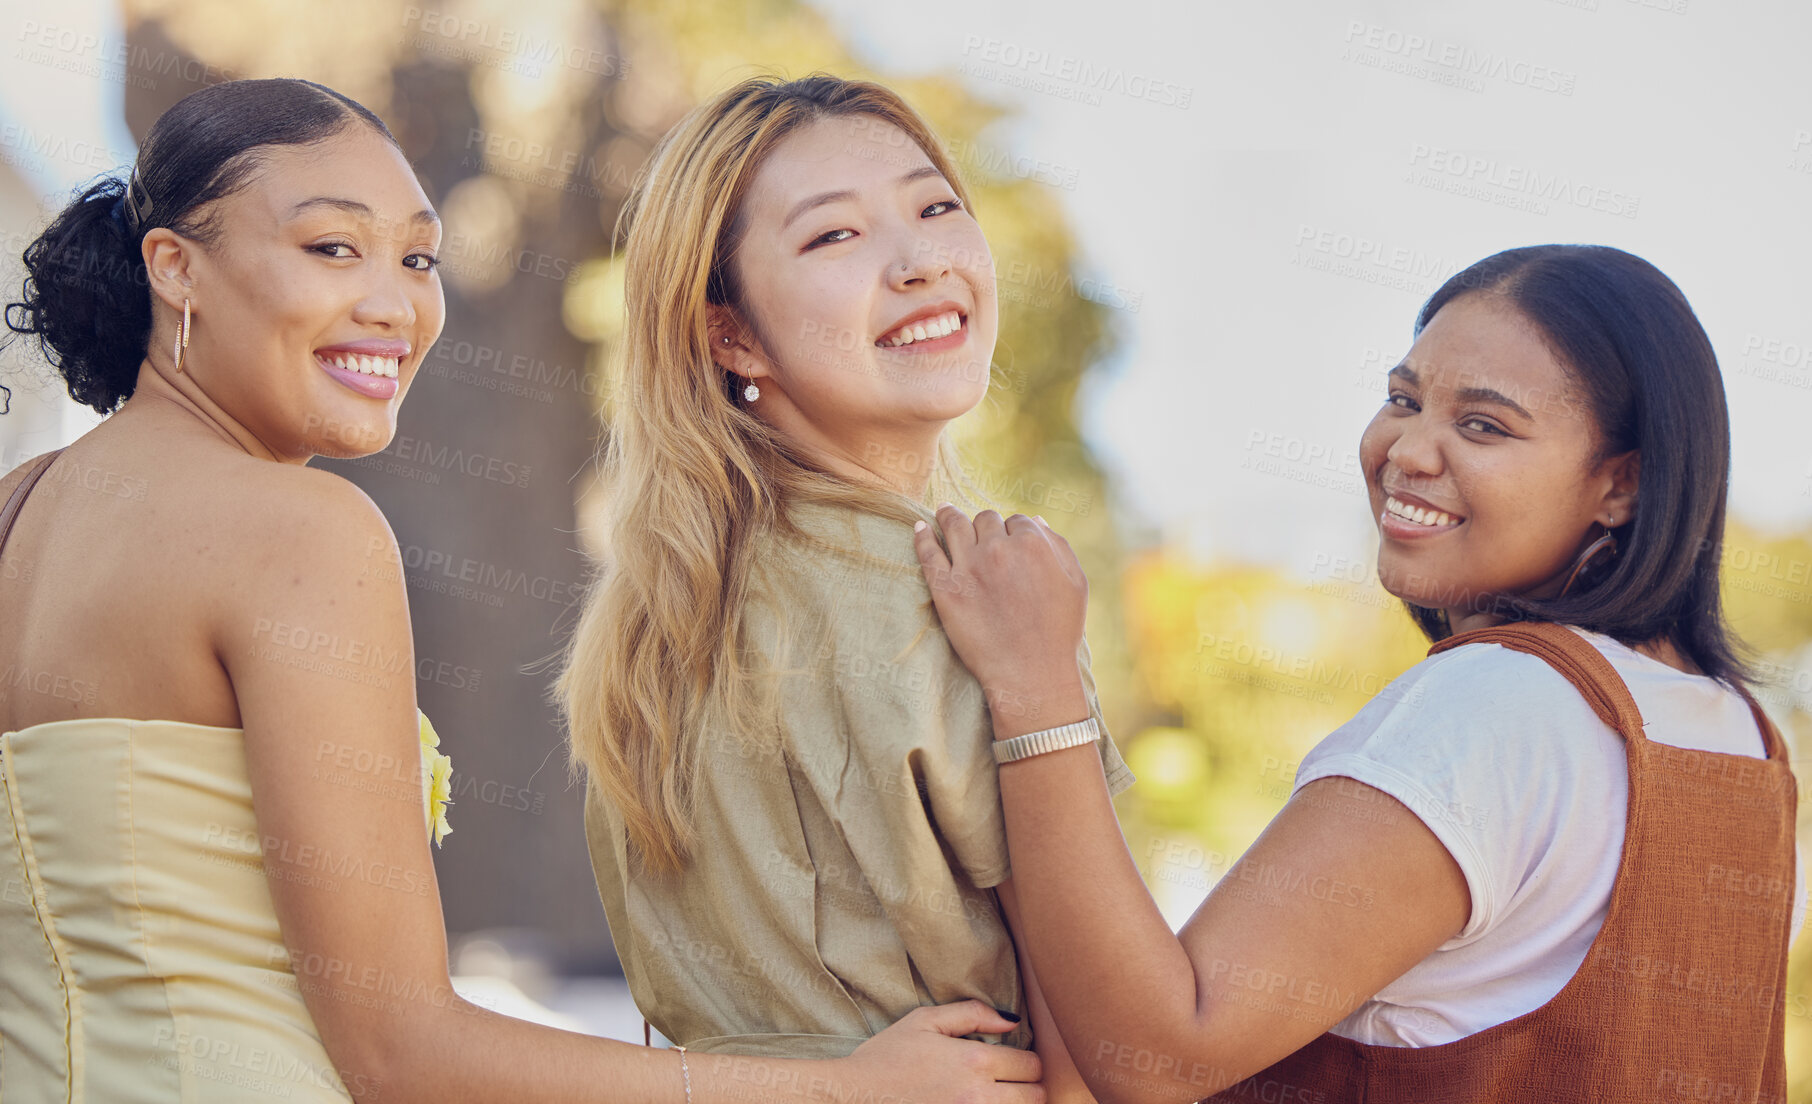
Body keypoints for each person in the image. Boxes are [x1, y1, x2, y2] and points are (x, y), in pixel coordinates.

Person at [0, 76, 1042, 1103]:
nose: (394, 304)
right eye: (332, 248)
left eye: (418, 257)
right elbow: (402, 1052)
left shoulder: (15, 514)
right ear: (174, 269)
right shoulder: (301, 534)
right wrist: (840, 1092)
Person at [911, 244, 1806, 1102]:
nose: (1409, 451)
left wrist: (1036, 684)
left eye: (1484, 426)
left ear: (1622, 486)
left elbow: (1157, 1051)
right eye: (1403, 399)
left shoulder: (1503, 702)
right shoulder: (1743, 736)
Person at [554, 73, 1129, 1099]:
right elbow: (1095, 1038)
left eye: (934, 206)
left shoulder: (646, 631)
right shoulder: (978, 604)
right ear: (728, 334)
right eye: (834, 237)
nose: (919, 262)